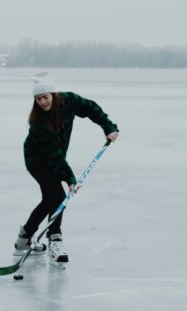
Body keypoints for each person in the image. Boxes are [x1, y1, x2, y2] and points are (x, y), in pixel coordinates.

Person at [14, 72, 119, 263]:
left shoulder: (69, 100)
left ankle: (24, 239)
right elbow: (53, 155)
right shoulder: (39, 123)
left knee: (49, 199)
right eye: (38, 99)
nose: (43, 103)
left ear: (54, 94)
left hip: (54, 157)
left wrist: (108, 126)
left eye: (45, 97)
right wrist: (70, 179)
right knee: (58, 196)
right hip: (36, 160)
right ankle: (55, 239)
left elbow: (91, 108)